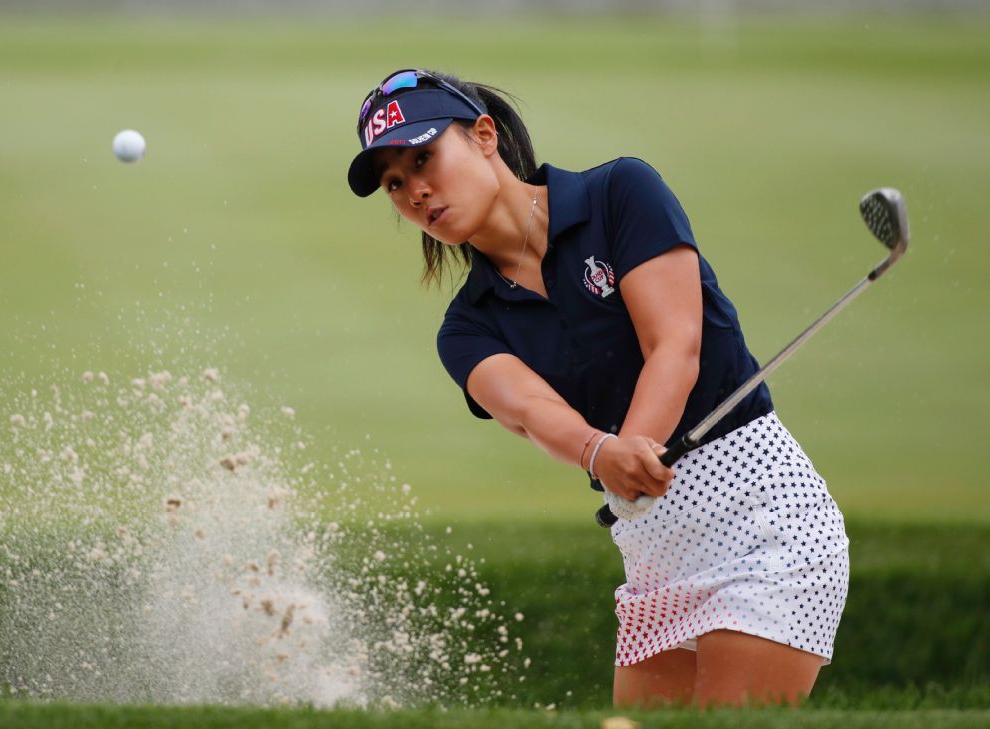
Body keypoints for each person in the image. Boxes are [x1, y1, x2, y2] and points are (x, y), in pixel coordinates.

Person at [345, 69, 850, 708]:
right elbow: (530, 411)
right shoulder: (467, 329)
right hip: (653, 551)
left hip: (764, 520)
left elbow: (676, 346)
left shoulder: (620, 193)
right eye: (395, 182)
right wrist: (599, 453)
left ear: (482, 135)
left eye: (424, 157)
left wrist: (632, 447)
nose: (415, 190)